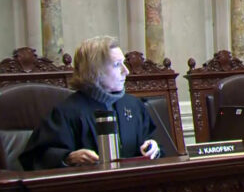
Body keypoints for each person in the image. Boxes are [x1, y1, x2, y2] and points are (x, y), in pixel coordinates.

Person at [20, 36, 159, 170]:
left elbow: (150, 142)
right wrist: (68, 158)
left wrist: (153, 148)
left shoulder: (134, 106)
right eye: (117, 65)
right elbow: (37, 158)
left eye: (124, 63)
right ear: (94, 71)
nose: (126, 71)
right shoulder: (67, 112)